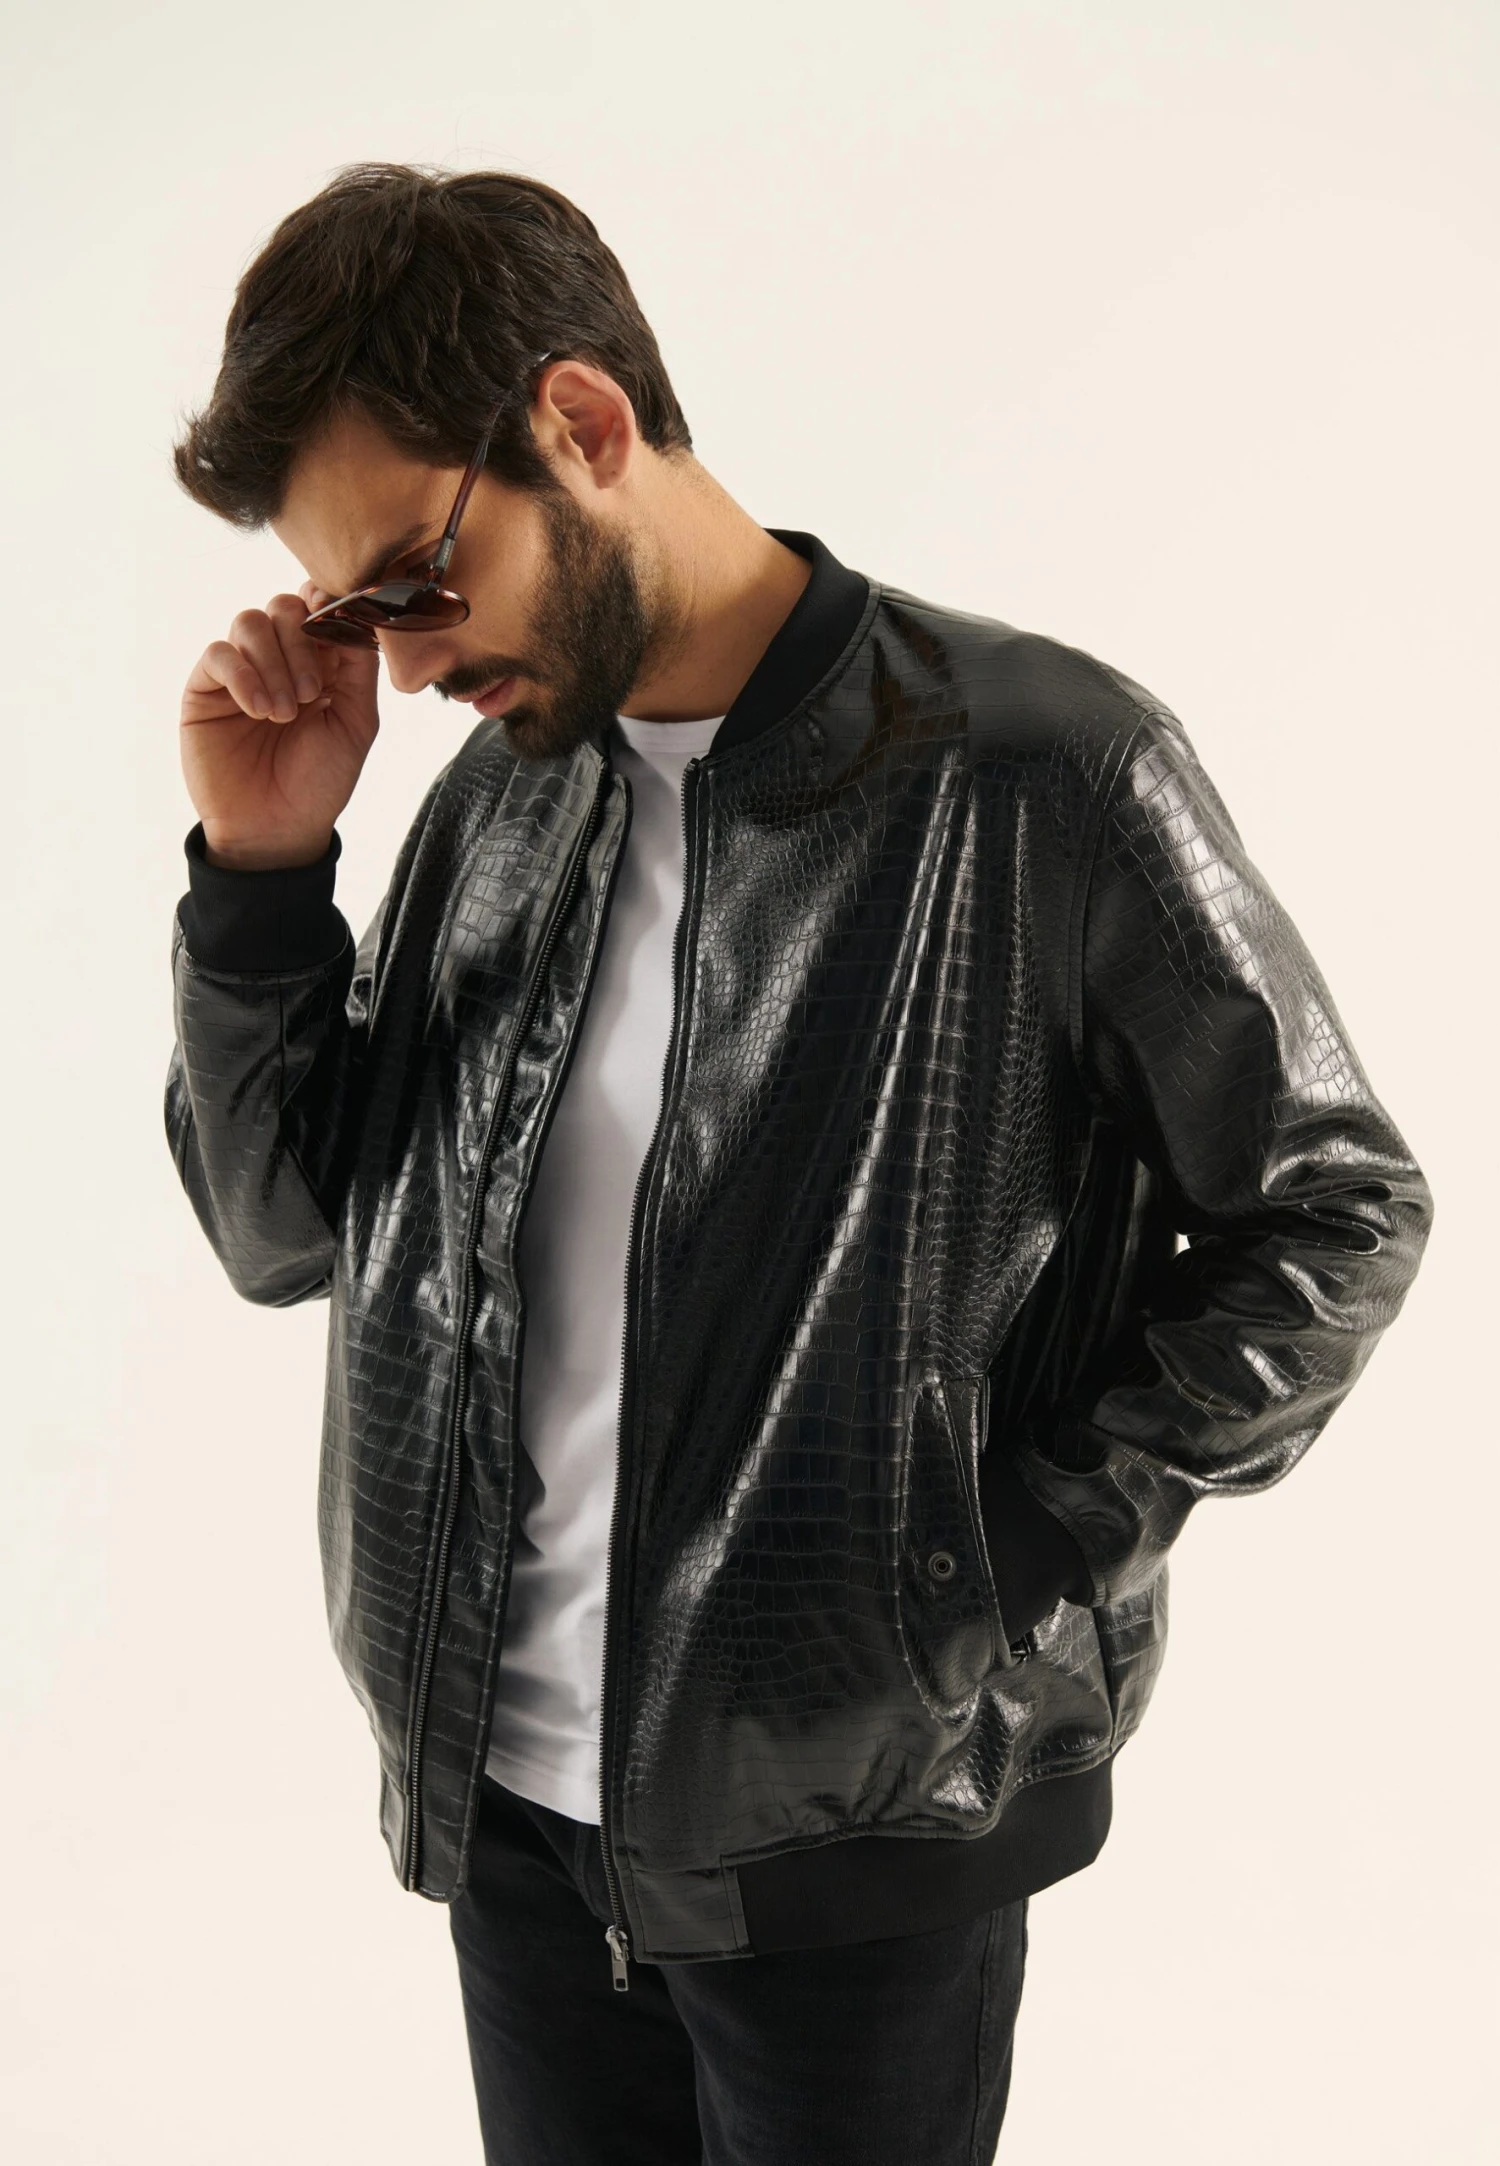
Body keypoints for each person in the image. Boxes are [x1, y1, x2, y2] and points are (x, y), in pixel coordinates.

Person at [163, 162, 1433, 2166]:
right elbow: (283, 1230)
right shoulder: (497, 808)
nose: (401, 667)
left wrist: (995, 1563)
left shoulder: (1036, 770)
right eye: (354, 612)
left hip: (862, 1837)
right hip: (510, 1825)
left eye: (415, 579)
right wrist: (260, 873)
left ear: (583, 424)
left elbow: (1337, 1203)